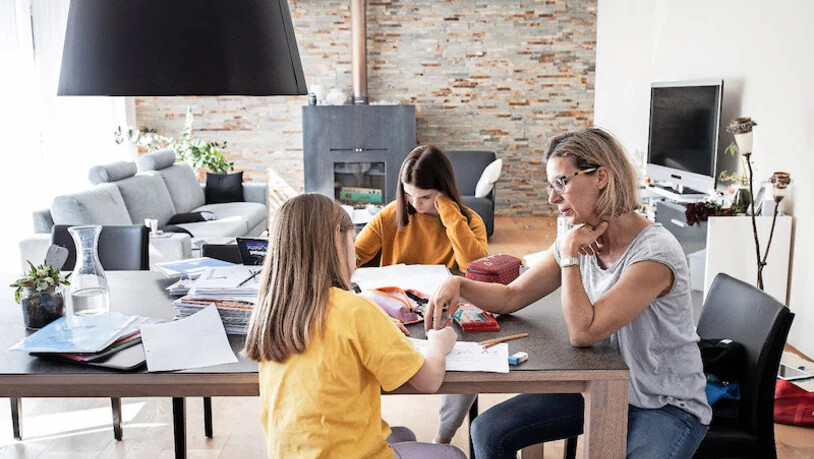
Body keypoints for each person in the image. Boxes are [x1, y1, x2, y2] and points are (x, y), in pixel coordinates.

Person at [425, 127, 712, 458]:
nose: (552, 198)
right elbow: (511, 297)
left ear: (601, 177)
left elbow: (583, 332)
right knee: (487, 431)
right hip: (601, 386)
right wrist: (457, 285)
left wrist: (571, 256)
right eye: (551, 186)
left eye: (562, 182)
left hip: (665, 404)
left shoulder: (654, 254)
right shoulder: (580, 238)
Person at [243, 193, 467, 459]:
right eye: (353, 242)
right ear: (338, 238)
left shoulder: (270, 313)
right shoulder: (355, 310)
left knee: (403, 435)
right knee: (452, 455)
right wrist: (438, 344)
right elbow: (429, 380)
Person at [355, 144, 488, 271]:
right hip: (395, 293)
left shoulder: (471, 222)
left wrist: (450, 213)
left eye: (425, 197)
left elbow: (475, 270)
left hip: (444, 294)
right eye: (409, 194)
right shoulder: (390, 214)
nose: (415, 203)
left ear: (444, 190)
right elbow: (355, 254)